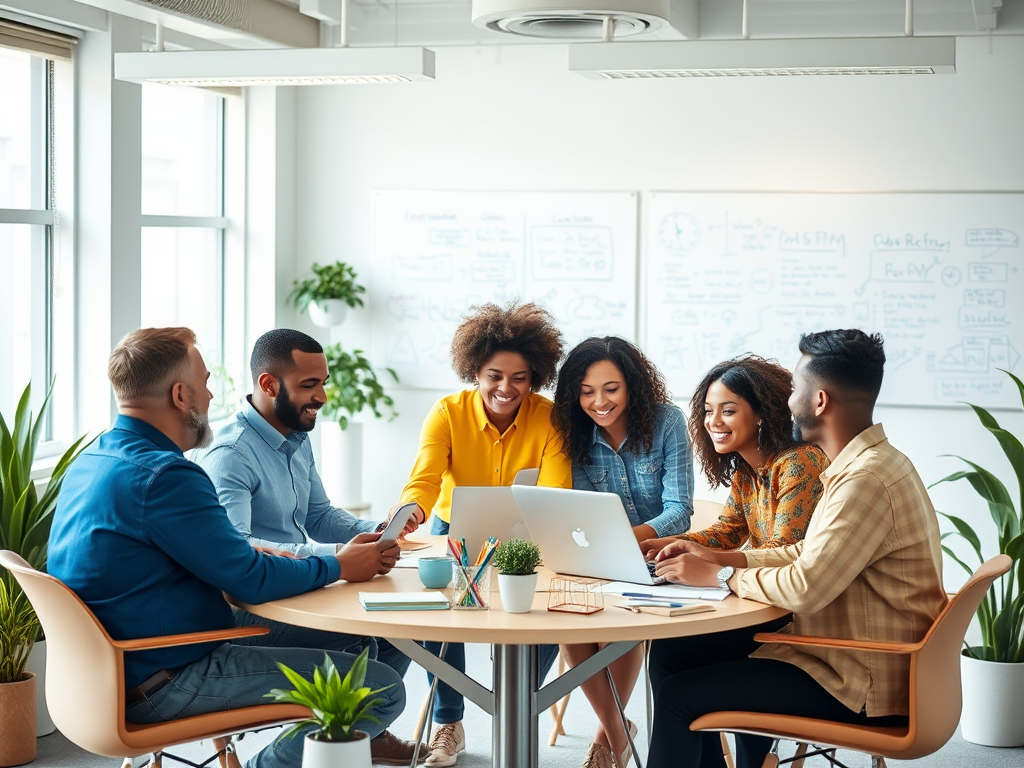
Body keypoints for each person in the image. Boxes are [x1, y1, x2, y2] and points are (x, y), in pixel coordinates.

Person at [48, 328, 407, 768]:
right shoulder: (166, 477)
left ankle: (333, 743)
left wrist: (276, 559)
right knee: (381, 688)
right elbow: (249, 579)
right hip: (169, 676)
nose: (213, 395)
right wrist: (337, 565)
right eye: (205, 383)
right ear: (181, 395)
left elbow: (233, 559)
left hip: (110, 675)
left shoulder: (93, 458)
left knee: (375, 639)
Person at [644, 330, 947, 768]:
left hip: (858, 680)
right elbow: (804, 552)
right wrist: (719, 559)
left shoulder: (863, 481)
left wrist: (721, 576)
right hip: (847, 657)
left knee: (677, 696)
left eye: (796, 390)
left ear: (819, 400)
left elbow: (805, 586)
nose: (787, 401)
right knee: (674, 654)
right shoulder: (867, 465)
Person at [197, 328, 420, 764]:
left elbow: (319, 515)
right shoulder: (231, 455)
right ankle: (304, 752)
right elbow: (237, 549)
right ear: (268, 384)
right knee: (360, 640)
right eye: (309, 385)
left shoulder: (296, 435)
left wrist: (376, 529)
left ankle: (360, 733)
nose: (322, 396)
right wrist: (338, 559)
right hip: (250, 605)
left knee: (400, 626)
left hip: (301, 584)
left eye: (323, 382)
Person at [400, 301, 571, 766]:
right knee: (440, 613)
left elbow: (555, 494)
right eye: (495, 375)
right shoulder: (447, 412)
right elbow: (425, 480)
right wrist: (409, 512)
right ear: (475, 370)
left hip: (525, 532)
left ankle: (513, 697)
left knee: (546, 607)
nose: (506, 388)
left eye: (519, 378)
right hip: (454, 529)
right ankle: (448, 721)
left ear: (534, 376)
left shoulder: (550, 417)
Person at [550, 336, 694, 768]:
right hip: (597, 557)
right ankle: (617, 732)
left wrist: (631, 537)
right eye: (587, 391)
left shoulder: (668, 422)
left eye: (611, 389)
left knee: (619, 621)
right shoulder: (573, 431)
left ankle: (605, 740)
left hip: (655, 558)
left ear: (632, 385)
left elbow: (680, 510)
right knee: (568, 620)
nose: (599, 402)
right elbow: (577, 510)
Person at [641, 354, 828, 556]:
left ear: (762, 414)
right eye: (708, 411)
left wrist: (708, 561)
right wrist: (668, 543)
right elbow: (727, 533)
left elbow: (783, 549)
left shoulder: (799, 463)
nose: (713, 422)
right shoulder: (746, 472)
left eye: (728, 411)